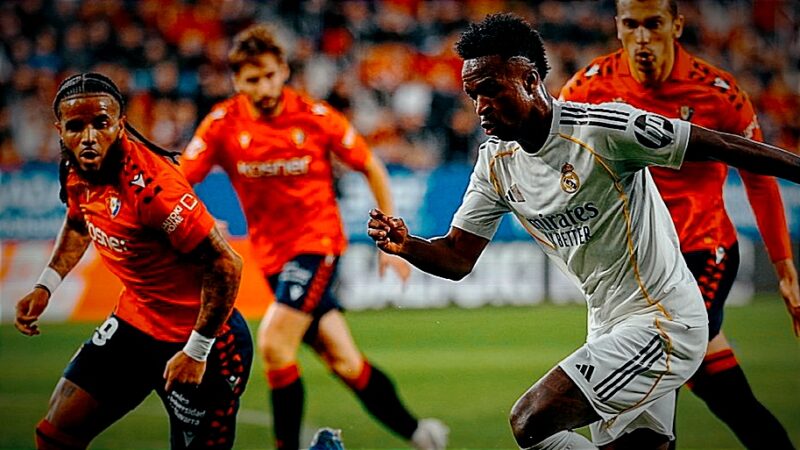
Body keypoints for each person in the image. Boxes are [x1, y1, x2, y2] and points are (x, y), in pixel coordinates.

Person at [368, 13, 800, 450]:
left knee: (531, 422)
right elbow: (458, 257)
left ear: (531, 79)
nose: (480, 107)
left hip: (663, 322)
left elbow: (724, 146)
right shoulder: (494, 163)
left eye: (492, 90)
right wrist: (408, 246)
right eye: (473, 95)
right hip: (607, 326)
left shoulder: (605, 129)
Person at [180, 24, 448, 450]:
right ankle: (422, 435)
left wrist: (391, 241)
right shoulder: (222, 124)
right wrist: (200, 219)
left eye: (269, 74)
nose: (263, 86)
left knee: (273, 344)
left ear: (283, 70)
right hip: (271, 259)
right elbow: (178, 181)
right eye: (252, 79)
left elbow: (371, 167)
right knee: (345, 362)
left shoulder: (315, 116)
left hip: (316, 245)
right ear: (237, 81)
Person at [558, 1, 799, 448]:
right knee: (722, 390)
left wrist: (785, 270)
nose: (643, 38)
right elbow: (556, 151)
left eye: (654, 24)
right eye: (631, 25)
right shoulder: (590, 86)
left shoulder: (718, 93)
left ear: (677, 26)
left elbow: (760, 182)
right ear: (617, 27)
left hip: (704, 250)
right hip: (637, 261)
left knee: (657, 360)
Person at [13, 73, 253, 449]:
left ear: (120, 125)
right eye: (76, 127)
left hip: (201, 340)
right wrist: (47, 284)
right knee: (55, 435)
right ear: (60, 131)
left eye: (101, 124)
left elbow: (226, 264)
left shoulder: (154, 188)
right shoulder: (74, 168)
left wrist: (196, 350)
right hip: (135, 324)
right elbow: (79, 223)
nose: (89, 137)